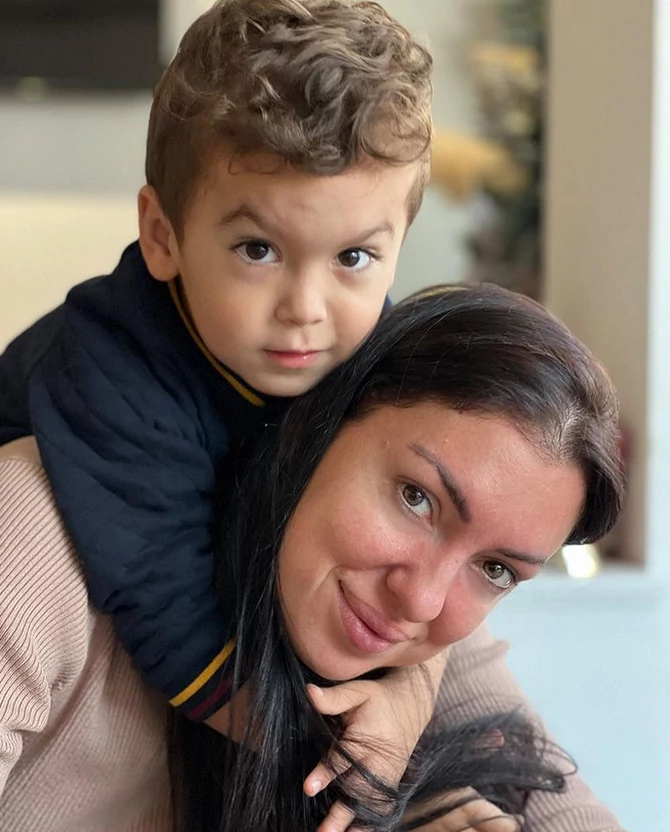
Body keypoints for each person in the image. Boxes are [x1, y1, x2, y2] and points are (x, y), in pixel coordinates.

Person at [0, 4, 445, 823]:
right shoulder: (116, 379)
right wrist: (338, 753)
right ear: (162, 236)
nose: (306, 308)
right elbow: (170, 609)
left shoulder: (361, 362)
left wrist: (411, 695)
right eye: (257, 250)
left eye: (353, 257)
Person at [0, 284, 625, 831]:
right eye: (416, 498)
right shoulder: (34, 526)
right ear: (320, 421)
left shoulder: (411, 632)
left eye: (496, 569)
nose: (421, 599)